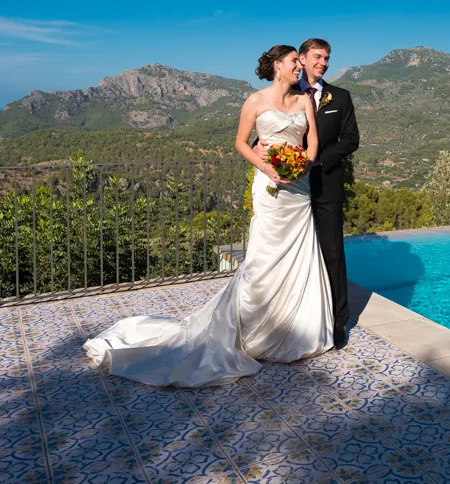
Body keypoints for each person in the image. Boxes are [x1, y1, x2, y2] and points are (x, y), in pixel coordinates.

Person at [82, 45, 333, 387]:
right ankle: (253, 330)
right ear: (278, 66)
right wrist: (269, 169)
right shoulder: (255, 101)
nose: (299, 66)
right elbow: (241, 143)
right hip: (271, 187)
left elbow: (312, 140)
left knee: (300, 256)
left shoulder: (305, 100)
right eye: (294, 62)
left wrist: (301, 164)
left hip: (299, 188)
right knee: (263, 258)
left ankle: (296, 333)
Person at [256, 38, 360, 349]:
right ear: (301, 59)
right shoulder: (286, 92)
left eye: (327, 58)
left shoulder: (339, 97)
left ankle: (337, 321)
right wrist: (265, 154)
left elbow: (351, 140)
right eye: (317, 57)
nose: (323, 63)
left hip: (325, 184)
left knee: (331, 252)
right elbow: (261, 134)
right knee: (291, 252)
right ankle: (290, 317)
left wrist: (313, 163)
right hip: (288, 189)